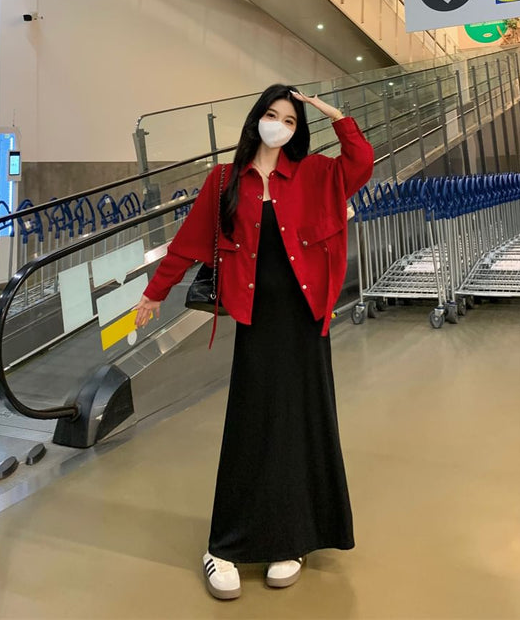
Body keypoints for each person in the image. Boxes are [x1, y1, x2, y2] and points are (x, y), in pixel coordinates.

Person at [134, 84, 374, 600]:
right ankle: (224, 545)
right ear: (255, 119)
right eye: (272, 115)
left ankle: (292, 539)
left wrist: (334, 114)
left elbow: (360, 163)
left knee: (302, 424)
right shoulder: (224, 180)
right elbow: (187, 244)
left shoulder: (315, 173)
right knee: (251, 425)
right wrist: (155, 293)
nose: (279, 126)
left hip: (306, 321)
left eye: (290, 120)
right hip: (256, 322)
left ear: (297, 130)